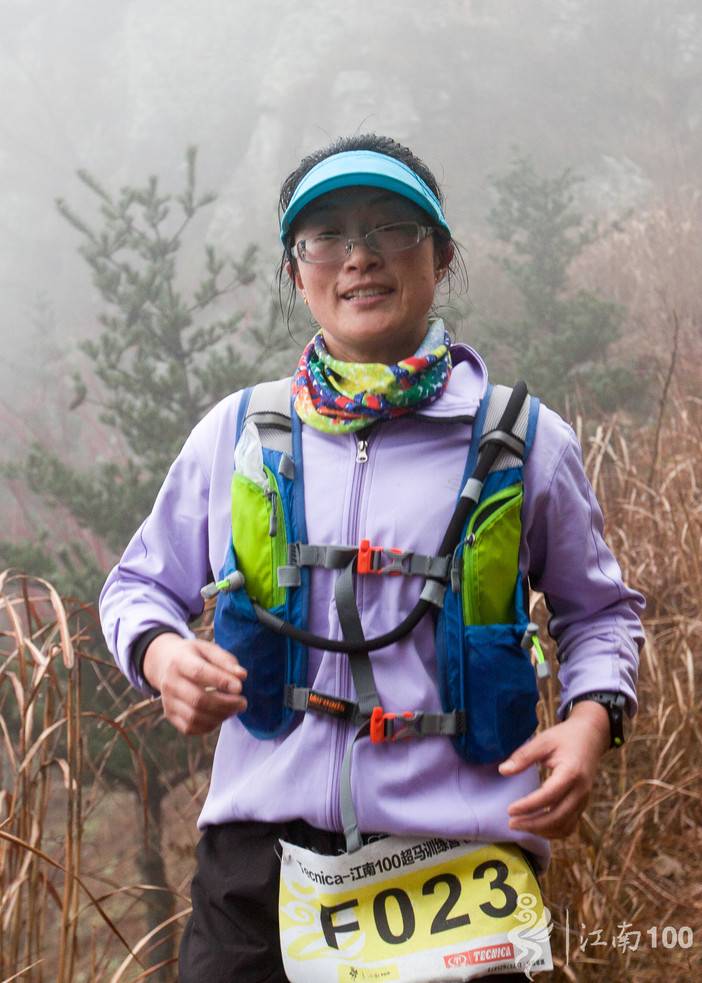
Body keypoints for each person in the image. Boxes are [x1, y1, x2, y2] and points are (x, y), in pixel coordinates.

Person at [100, 134, 644, 983]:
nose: (359, 256)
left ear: (441, 255)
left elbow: (601, 613)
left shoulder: (524, 440)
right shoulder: (238, 433)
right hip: (256, 876)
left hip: (460, 870)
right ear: (296, 272)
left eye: (392, 226)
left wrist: (591, 719)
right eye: (326, 236)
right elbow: (137, 586)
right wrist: (162, 654)